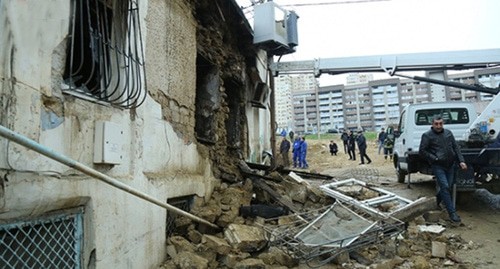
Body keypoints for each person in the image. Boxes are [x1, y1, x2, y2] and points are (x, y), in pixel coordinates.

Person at [419, 115, 467, 224]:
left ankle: (436, 201)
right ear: (432, 124)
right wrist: (434, 158)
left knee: (448, 187)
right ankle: (452, 213)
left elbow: (455, 147)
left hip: (450, 165)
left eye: (440, 123)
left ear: (443, 123)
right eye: (436, 124)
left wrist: (461, 161)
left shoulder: (448, 133)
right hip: (438, 166)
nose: (438, 126)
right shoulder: (427, 136)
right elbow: (422, 151)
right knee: (445, 186)